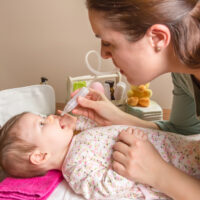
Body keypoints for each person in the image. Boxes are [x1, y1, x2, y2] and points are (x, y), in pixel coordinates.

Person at [70, 0, 200, 199]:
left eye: (108, 43)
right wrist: (118, 119)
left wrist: (158, 173)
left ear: (157, 37)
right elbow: (185, 132)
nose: (103, 54)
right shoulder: (184, 74)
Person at [0, 112, 200, 199]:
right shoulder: (74, 168)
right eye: (42, 123)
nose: (50, 117)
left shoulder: (76, 140)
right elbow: (107, 191)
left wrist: (78, 123)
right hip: (170, 164)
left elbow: (99, 132)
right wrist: (130, 158)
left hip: (173, 146)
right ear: (40, 156)